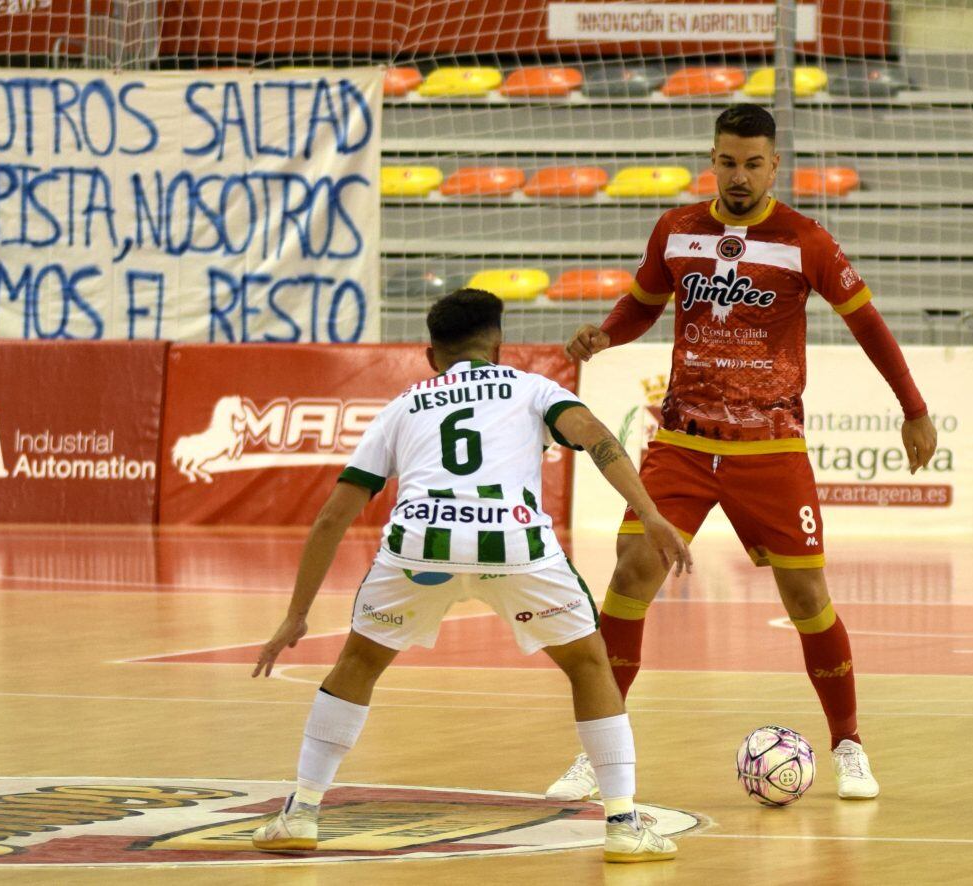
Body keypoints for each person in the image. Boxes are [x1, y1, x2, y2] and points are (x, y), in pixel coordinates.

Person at [546, 104, 937, 803]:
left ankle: (849, 745)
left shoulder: (805, 240)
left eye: (752, 162)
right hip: (684, 442)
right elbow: (642, 303)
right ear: (713, 159)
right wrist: (605, 334)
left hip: (771, 448)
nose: (738, 175)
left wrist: (914, 411)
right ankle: (598, 750)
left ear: (774, 165)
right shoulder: (677, 229)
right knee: (632, 569)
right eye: (727, 161)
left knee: (807, 595)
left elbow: (869, 326)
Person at [250, 288, 692, 863]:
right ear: (498, 345)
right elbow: (599, 440)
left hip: (419, 550)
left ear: (431, 354)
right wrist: (652, 515)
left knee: (357, 664)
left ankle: (302, 812)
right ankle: (624, 823)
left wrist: (296, 615)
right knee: (589, 665)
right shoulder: (533, 388)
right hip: (512, 546)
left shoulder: (404, 404)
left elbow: (335, 513)